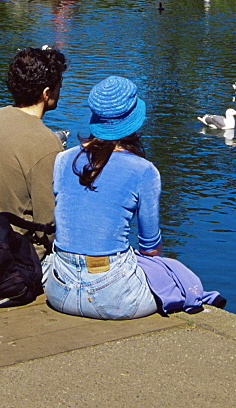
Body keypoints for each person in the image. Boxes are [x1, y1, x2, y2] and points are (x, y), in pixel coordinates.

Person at [44, 76, 161, 318]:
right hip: (113, 294)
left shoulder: (63, 160)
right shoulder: (144, 170)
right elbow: (150, 248)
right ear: (133, 121)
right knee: (179, 278)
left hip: (59, 289)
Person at [0, 46, 67, 259]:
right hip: (10, 258)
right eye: (59, 86)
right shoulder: (46, 143)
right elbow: (49, 225)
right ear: (46, 94)